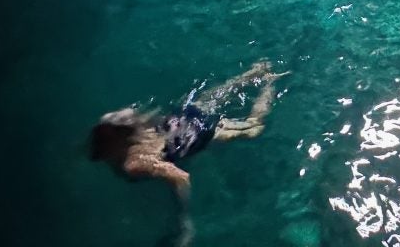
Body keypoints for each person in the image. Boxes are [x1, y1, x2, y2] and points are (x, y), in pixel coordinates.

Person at [88, 60, 288, 194]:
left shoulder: (133, 165)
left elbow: (182, 177)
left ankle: (271, 82)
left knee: (253, 129)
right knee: (215, 96)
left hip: (198, 133)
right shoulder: (137, 132)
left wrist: (183, 222)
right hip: (183, 115)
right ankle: (256, 71)